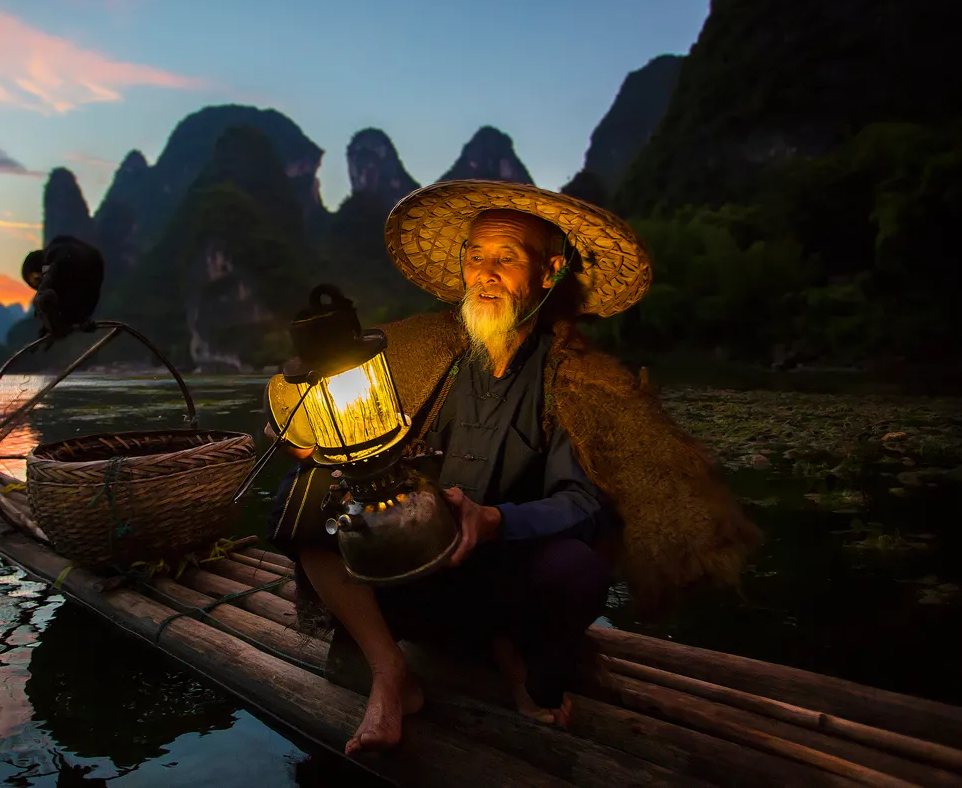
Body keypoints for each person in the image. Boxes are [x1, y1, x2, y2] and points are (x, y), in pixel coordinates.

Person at [262, 180, 762, 756]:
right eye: (475, 256)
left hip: (501, 573)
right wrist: (310, 437)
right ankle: (388, 671)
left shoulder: (576, 380)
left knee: (578, 568)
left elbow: (584, 501)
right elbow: (331, 410)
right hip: (414, 557)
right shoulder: (429, 349)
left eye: (507, 258)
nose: (485, 272)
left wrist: (496, 520)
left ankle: (514, 654)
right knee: (302, 496)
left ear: (549, 273)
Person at [22, 235, 106, 341]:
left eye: (34, 278)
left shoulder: (51, 255)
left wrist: (43, 288)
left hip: (80, 272)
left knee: (43, 298)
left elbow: (60, 262)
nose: (37, 282)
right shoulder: (60, 245)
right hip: (91, 276)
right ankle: (78, 321)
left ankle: (59, 329)